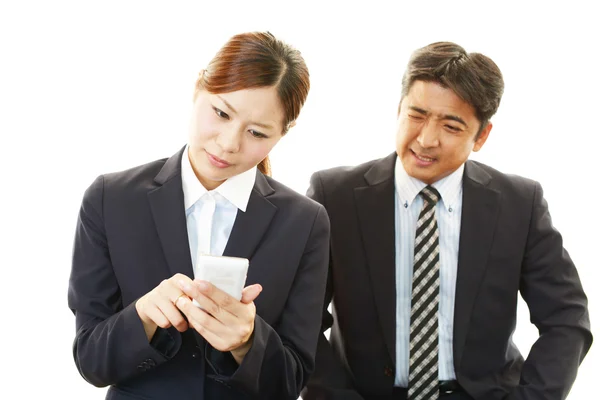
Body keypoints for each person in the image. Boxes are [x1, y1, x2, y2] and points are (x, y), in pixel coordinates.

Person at [302, 42, 592, 400]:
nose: (426, 139)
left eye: (451, 126)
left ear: (481, 136)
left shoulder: (520, 204)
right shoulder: (335, 195)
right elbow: (301, 320)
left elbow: (566, 318)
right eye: (417, 115)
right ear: (398, 109)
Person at [68, 31, 330, 400]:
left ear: (283, 134)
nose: (228, 143)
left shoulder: (304, 222)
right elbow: (91, 359)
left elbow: (292, 380)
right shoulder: (111, 199)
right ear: (197, 88)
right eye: (221, 113)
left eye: (256, 132)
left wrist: (247, 341)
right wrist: (142, 316)